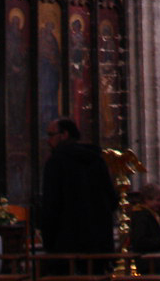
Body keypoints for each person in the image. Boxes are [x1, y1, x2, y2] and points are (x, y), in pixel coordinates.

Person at [40, 117, 119, 274]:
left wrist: (48, 240)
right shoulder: (96, 159)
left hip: (66, 245)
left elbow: (51, 205)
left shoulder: (56, 162)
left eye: (51, 135)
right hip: (98, 243)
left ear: (64, 134)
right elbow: (111, 200)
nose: (48, 140)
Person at [130, 181, 160, 274]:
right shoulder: (141, 216)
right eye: (158, 200)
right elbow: (140, 242)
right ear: (147, 199)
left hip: (157, 260)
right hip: (148, 262)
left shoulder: (151, 213)